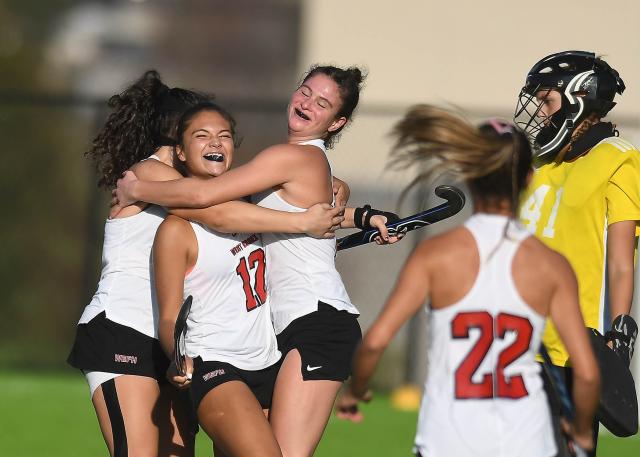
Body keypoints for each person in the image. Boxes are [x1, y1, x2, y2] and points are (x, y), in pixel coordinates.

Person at [113, 64, 400, 456]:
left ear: (337, 122)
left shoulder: (290, 157)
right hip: (284, 331)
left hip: (316, 322)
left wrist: (137, 187)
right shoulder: (294, 162)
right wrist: (365, 216)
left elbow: (203, 199)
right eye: (305, 91)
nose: (307, 104)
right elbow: (293, 210)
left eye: (323, 103)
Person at [67, 71, 341, 457]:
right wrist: (301, 222)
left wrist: (350, 207)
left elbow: (265, 198)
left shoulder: (197, 182)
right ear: (178, 138)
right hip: (124, 331)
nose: (213, 140)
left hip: (178, 346)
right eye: (200, 131)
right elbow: (218, 211)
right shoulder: (147, 174)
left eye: (220, 134)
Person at [335, 105, 600, 457]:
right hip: (527, 440)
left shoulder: (436, 255)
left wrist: (356, 393)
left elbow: (374, 344)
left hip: (448, 441)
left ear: (470, 176)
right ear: (528, 180)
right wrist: (580, 432)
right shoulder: (551, 265)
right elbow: (586, 372)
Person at [515, 50, 639, 453]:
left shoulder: (619, 159)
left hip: (573, 345)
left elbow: (621, 259)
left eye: (546, 100)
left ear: (578, 97)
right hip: (517, 337)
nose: (538, 111)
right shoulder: (539, 163)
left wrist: (619, 330)